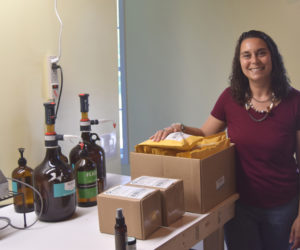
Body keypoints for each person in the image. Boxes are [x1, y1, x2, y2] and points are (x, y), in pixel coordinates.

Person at [150, 30, 300, 250]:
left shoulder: (295, 102)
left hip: (282, 209)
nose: (254, 60)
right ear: (239, 61)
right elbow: (204, 135)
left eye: (261, 53)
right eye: (246, 55)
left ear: (273, 57)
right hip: (239, 206)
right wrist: (178, 129)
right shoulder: (230, 98)